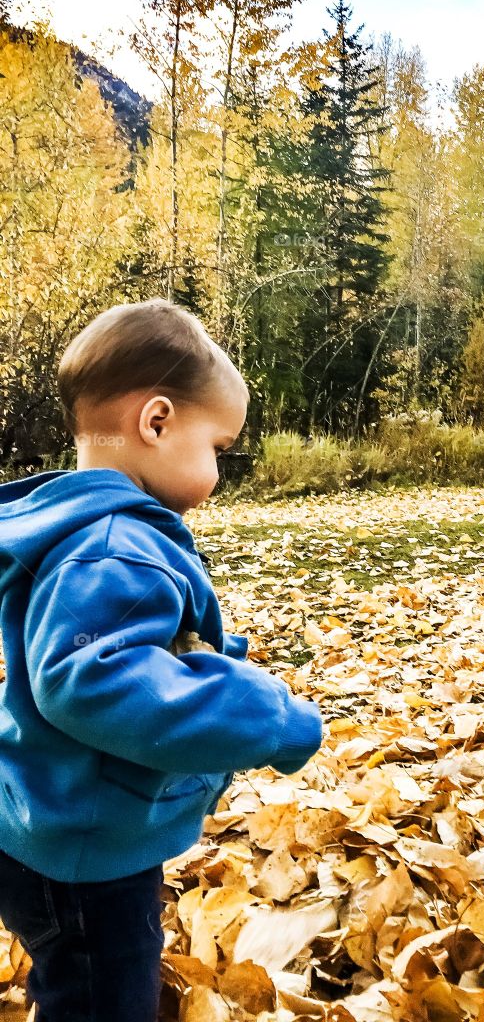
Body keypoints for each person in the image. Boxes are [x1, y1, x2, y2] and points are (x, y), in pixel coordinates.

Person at [0, 299, 324, 1018]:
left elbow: (129, 646)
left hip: (60, 825)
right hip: (84, 858)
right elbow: (90, 678)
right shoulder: (112, 544)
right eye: (219, 448)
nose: (220, 469)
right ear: (156, 422)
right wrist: (264, 713)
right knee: (102, 1000)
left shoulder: (86, 525)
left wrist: (213, 658)